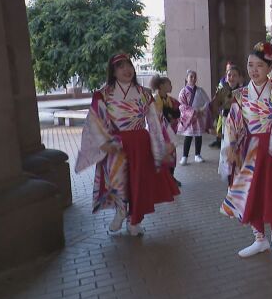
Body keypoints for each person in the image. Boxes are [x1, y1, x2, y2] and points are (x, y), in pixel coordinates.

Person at [75, 54, 180, 236]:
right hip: (116, 145)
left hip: (141, 143)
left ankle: (135, 221)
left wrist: (167, 142)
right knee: (118, 181)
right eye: (120, 67)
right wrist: (103, 142)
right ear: (113, 72)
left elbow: (155, 119)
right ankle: (121, 211)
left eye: (129, 65)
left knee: (139, 182)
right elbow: (94, 120)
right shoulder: (103, 94)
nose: (126, 70)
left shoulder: (144, 93)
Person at [219, 42, 272, 258]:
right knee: (251, 195)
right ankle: (259, 239)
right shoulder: (240, 95)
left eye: (259, 65)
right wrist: (230, 146)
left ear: (269, 68)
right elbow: (233, 123)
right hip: (248, 150)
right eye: (250, 65)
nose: (254, 70)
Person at [151, 74, 182, 187]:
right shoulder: (154, 100)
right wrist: (169, 116)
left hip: (170, 132)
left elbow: (177, 113)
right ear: (161, 85)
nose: (171, 86)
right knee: (161, 155)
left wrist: (171, 116)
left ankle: (170, 177)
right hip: (160, 134)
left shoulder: (169, 100)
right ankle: (163, 180)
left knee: (172, 155)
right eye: (169, 83)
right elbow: (157, 116)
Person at [177, 69, 212, 165]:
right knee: (188, 137)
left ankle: (197, 155)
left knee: (198, 136)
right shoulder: (183, 91)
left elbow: (207, 102)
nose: (193, 78)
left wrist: (202, 110)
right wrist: (194, 111)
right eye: (191, 76)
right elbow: (181, 105)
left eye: (194, 76)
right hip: (189, 118)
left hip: (199, 117)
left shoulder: (200, 90)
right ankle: (184, 156)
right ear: (186, 78)